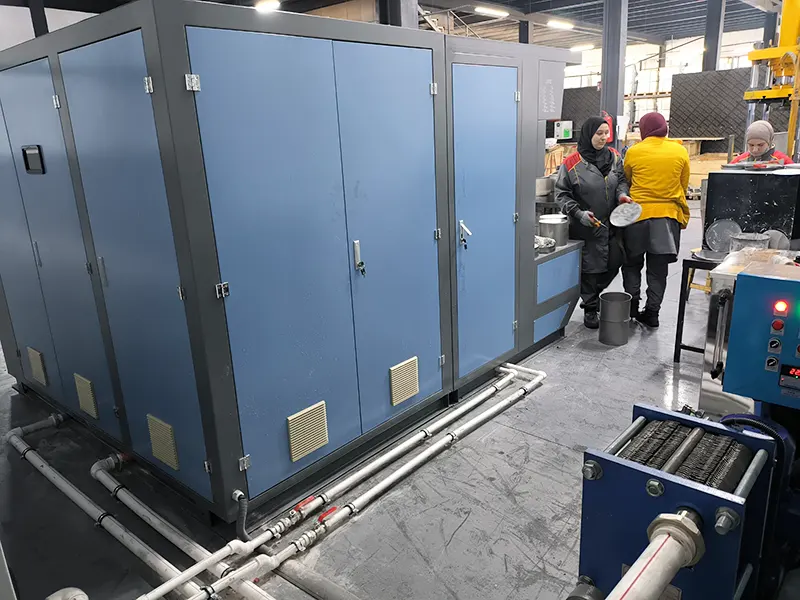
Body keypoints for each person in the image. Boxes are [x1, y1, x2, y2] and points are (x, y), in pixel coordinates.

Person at [555, 116, 631, 329]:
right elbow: (561, 194)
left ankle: (593, 297)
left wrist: (622, 195)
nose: (604, 137)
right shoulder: (572, 163)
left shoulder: (614, 157)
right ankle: (590, 307)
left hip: (611, 223)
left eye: (606, 133)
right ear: (589, 134)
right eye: (599, 133)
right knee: (590, 268)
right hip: (586, 225)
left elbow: (621, 180)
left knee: (614, 261)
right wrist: (579, 214)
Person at [621, 111, 690, 329]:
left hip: (636, 217)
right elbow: (683, 184)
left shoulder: (634, 152)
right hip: (667, 219)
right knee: (658, 270)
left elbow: (627, 180)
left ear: (643, 130)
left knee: (631, 264)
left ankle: (631, 308)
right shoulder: (680, 151)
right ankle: (652, 314)